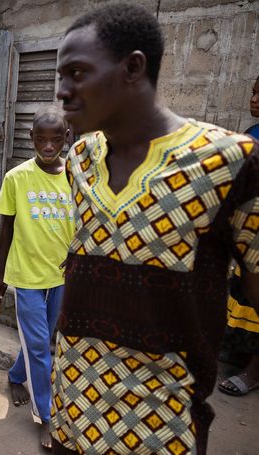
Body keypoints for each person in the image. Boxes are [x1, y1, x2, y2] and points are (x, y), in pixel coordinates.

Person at [50, 4, 259, 454]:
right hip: (70, 408)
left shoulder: (228, 162)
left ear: (133, 67)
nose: (62, 92)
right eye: (60, 77)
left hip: (160, 428)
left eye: (77, 73)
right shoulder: (80, 159)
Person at [0, 106, 73, 450]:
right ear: (31, 139)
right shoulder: (16, 178)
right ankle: (46, 417)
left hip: (61, 275)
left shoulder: (76, 176)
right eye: (42, 138)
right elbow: (6, 228)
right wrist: (0, 275)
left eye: (56, 138)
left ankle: (14, 376)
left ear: (67, 138)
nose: (49, 145)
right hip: (25, 275)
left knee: (41, 339)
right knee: (40, 346)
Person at [217, 75, 259, 397]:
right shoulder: (250, 134)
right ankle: (238, 355)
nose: (254, 99)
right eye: (254, 91)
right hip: (247, 226)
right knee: (242, 293)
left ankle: (253, 371)